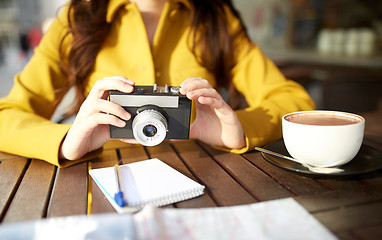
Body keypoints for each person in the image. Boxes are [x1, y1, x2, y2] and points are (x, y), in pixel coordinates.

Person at [0, 0, 315, 168]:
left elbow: (295, 101)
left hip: (210, 177)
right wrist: (67, 141)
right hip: (99, 184)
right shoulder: (75, 19)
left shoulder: (216, 19)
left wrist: (237, 129)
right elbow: (6, 116)